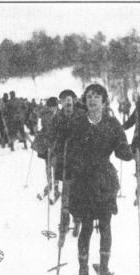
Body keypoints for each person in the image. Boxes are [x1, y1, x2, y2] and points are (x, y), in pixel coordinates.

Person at [66, 84, 133, 275]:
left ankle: (104, 269)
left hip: (104, 180)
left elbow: (123, 151)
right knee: (85, 227)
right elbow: (68, 149)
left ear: (104, 101)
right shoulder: (77, 123)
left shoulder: (113, 124)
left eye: (97, 97)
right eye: (89, 97)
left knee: (105, 225)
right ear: (85, 102)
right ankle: (83, 272)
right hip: (83, 181)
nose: (92, 100)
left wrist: (132, 150)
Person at [53, 90, 85, 242]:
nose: (67, 104)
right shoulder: (57, 118)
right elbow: (52, 135)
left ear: (73, 102)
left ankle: (77, 219)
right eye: (64, 101)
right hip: (64, 161)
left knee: (77, 195)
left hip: (78, 161)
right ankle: (64, 225)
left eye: (69, 101)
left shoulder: (81, 116)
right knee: (65, 195)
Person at [31, 97, 60, 201]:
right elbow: (48, 130)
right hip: (48, 143)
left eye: (55, 106)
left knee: (52, 164)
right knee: (51, 164)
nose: (54, 108)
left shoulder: (56, 113)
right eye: (53, 106)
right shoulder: (47, 115)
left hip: (52, 143)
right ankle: (52, 184)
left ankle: (53, 184)